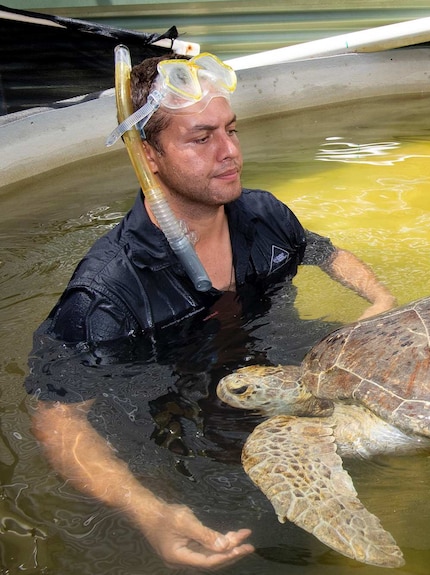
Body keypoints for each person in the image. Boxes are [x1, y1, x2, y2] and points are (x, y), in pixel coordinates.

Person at [25, 52, 396, 571]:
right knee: (282, 553)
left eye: (231, 130)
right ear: (148, 154)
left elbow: (324, 253)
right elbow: (56, 417)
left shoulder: (263, 213)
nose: (230, 153)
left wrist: (379, 300)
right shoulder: (107, 295)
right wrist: (148, 511)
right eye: (201, 138)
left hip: (288, 365)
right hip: (193, 424)